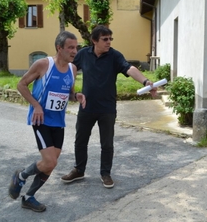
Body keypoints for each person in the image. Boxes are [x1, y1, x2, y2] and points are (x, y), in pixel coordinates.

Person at [61, 25, 157, 188]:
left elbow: (129, 68)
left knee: (107, 144)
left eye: (110, 39)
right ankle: (79, 169)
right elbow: (70, 68)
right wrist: (69, 89)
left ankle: (105, 173)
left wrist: (146, 81)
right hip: (87, 106)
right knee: (80, 140)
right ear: (94, 41)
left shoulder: (114, 56)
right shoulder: (83, 54)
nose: (109, 42)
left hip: (107, 108)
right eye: (105, 39)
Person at [8, 31, 86, 212]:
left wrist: (77, 96)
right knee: (50, 162)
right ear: (59, 48)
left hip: (58, 122)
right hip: (41, 119)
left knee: (50, 165)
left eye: (76, 47)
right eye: (70, 48)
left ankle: (28, 197)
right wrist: (36, 105)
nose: (74, 51)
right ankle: (21, 176)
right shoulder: (43, 64)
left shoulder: (73, 69)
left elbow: (69, 92)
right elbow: (21, 84)